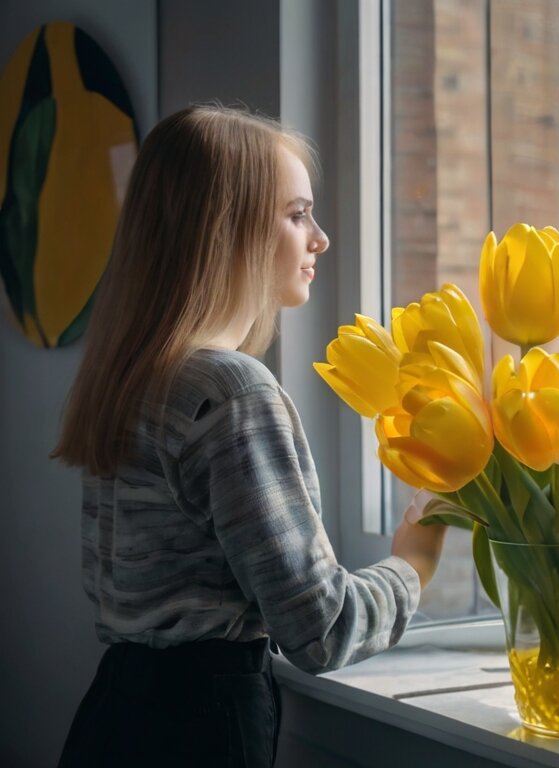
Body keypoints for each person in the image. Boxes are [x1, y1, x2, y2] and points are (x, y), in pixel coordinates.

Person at [50, 105, 447, 767]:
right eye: (297, 215)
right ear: (224, 233)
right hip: (198, 731)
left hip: (111, 716)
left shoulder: (130, 381)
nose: (319, 239)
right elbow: (319, 631)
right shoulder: (230, 393)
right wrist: (413, 566)